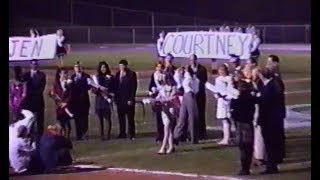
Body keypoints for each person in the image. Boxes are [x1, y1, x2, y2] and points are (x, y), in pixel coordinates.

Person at [257, 68, 284, 174]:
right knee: (270, 143)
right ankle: (272, 165)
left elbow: (265, 103)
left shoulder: (269, 87)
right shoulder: (271, 85)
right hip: (272, 119)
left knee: (270, 143)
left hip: (269, 119)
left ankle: (271, 166)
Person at [230, 80, 256, 175]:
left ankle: (244, 168)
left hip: (241, 124)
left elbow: (233, 114)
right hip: (249, 124)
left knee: (243, 147)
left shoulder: (237, 99)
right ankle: (247, 167)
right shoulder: (251, 98)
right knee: (249, 147)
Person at [173, 67, 200, 144]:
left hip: (190, 95)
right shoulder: (189, 77)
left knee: (191, 118)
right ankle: (176, 136)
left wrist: (179, 73)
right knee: (182, 117)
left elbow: (180, 83)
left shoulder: (190, 78)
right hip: (186, 95)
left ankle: (193, 138)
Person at [114, 59, 138, 140]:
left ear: (126, 66)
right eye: (120, 66)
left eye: (123, 65)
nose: (121, 67)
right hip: (120, 100)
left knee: (130, 118)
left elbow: (133, 87)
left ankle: (132, 134)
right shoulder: (117, 74)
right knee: (121, 117)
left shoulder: (131, 74)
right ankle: (122, 133)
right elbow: (115, 87)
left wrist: (131, 99)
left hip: (128, 99)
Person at [91, 61, 115, 141]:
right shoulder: (97, 78)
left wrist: (109, 92)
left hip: (107, 101)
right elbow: (93, 90)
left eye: (104, 67)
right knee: (99, 119)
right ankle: (101, 135)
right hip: (99, 100)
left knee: (107, 118)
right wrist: (98, 90)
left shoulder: (111, 77)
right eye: (102, 67)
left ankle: (108, 135)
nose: (103, 69)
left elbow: (113, 88)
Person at [156, 76, 179, 154]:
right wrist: (156, 100)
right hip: (164, 109)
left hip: (171, 109)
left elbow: (171, 98)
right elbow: (158, 97)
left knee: (167, 128)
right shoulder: (163, 87)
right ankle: (171, 146)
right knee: (168, 129)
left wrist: (163, 100)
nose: (167, 81)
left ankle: (163, 147)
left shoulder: (174, 88)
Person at [23, 59, 46, 139]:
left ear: (37, 65)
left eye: (35, 64)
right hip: (29, 102)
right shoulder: (26, 75)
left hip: (38, 101)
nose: (34, 65)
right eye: (32, 64)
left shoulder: (42, 75)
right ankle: (30, 134)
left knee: (40, 120)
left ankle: (40, 136)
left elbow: (41, 88)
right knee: (30, 119)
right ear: (30, 65)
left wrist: (31, 93)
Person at [49, 67, 73, 139]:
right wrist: (57, 100)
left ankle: (67, 138)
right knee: (62, 124)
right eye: (64, 73)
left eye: (66, 73)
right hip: (59, 108)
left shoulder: (69, 83)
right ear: (59, 74)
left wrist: (66, 103)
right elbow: (53, 94)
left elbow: (71, 94)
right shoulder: (56, 83)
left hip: (67, 106)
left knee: (68, 125)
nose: (65, 75)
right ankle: (62, 138)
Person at [188, 54, 208, 140]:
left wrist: (195, 77)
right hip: (191, 95)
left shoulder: (202, 69)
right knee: (192, 114)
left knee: (201, 113)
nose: (192, 61)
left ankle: (202, 133)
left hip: (200, 94)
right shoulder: (188, 69)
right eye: (191, 60)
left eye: (194, 59)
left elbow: (204, 79)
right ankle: (192, 132)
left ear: (196, 60)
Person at [69, 61, 91, 140]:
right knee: (77, 118)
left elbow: (89, 87)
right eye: (76, 67)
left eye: (78, 67)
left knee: (84, 118)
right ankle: (78, 134)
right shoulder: (72, 77)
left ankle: (84, 133)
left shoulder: (86, 76)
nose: (77, 69)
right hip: (75, 101)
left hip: (84, 100)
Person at [213, 64, 233, 145]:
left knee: (226, 119)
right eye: (220, 70)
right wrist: (217, 95)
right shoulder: (218, 79)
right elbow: (216, 89)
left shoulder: (229, 78)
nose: (221, 72)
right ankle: (225, 138)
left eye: (223, 70)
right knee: (223, 119)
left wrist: (226, 96)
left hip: (227, 100)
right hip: (221, 101)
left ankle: (227, 138)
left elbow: (230, 89)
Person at [148, 62, 166, 142]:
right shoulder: (154, 75)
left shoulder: (165, 75)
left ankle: (166, 134)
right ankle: (160, 135)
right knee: (158, 117)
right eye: (158, 67)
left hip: (164, 97)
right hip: (157, 98)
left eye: (161, 67)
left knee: (165, 117)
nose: (159, 68)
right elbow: (151, 85)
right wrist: (152, 89)